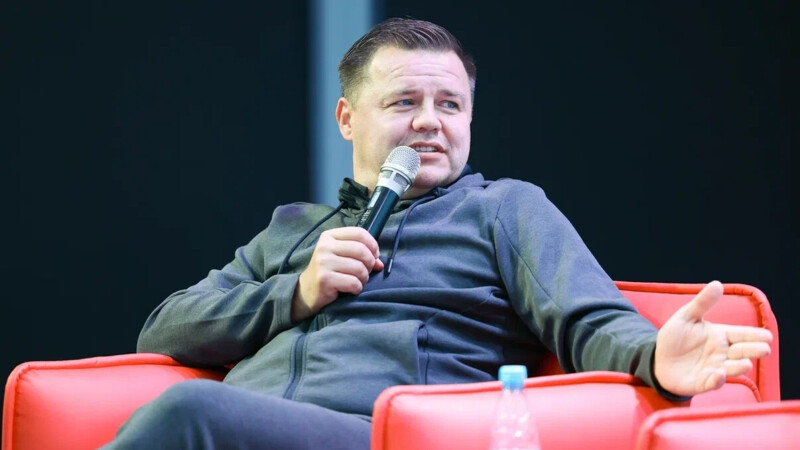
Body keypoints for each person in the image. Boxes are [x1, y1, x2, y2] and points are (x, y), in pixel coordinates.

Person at [103, 17, 772, 449]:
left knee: (189, 412)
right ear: (347, 118)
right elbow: (166, 329)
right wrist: (296, 293)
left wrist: (654, 357)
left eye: (449, 104)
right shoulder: (294, 230)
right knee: (192, 410)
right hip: (251, 422)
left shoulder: (503, 209)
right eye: (404, 102)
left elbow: (589, 319)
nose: (430, 121)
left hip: (379, 431)